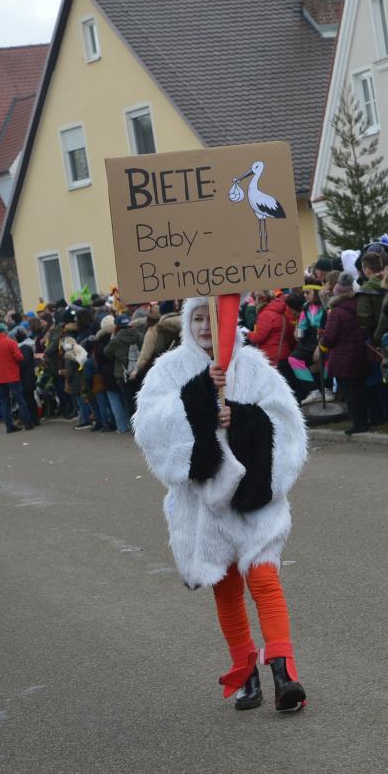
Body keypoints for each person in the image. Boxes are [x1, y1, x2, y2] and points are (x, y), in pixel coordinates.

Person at [134, 297, 308, 712]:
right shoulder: (168, 370)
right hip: (203, 505)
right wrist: (200, 400)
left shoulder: (254, 367)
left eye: (211, 317)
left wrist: (242, 418)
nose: (205, 326)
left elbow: (285, 423)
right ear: (186, 323)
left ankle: (284, 672)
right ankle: (245, 672)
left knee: (264, 579)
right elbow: (152, 429)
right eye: (197, 318)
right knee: (226, 587)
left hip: (254, 494)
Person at [320, 274, 372, 435]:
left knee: (350, 393)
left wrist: (322, 341)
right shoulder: (358, 306)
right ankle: (365, 420)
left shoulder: (336, 312)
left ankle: (358, 423)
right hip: (359, 354)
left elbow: (329, 337)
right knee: (360, 390)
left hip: (343, 358)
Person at [0, 322, 35, 432]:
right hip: (12, 375)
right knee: (20, 399)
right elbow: (19, 357)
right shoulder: (10, 342)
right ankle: (27, 422)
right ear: (6, 331)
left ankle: (9, 425)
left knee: (5, 402)